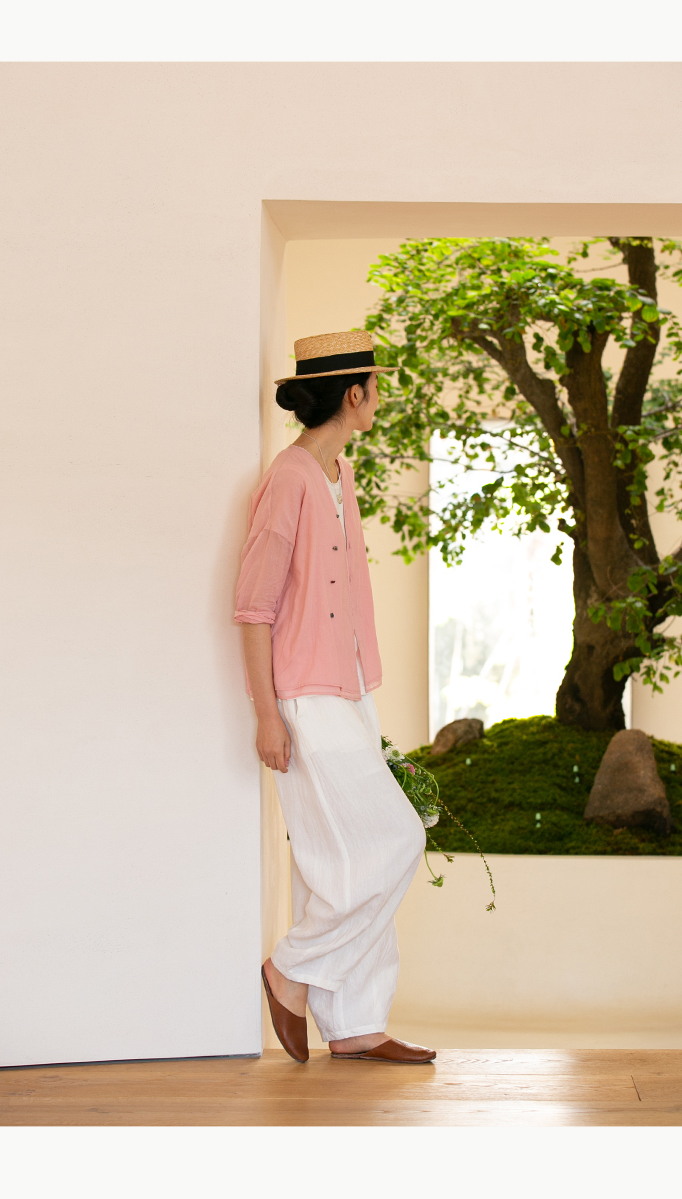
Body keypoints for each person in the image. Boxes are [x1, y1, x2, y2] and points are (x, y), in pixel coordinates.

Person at [235, 330, 435, 1065]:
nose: (379, 398)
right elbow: (253, 606)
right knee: (397, 838)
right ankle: (291, 969)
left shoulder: (338, 471)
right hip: (303, 695)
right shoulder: (288, 479)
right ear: (354, 394)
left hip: (347, 686)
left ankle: (355, 1022)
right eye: (375, 387)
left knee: (340, 856)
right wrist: (267, 714)